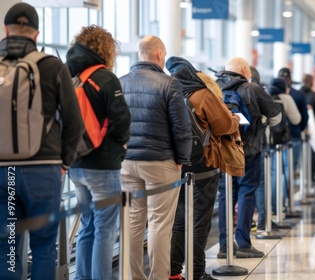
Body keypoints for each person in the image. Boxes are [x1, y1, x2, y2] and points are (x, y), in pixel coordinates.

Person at [0, 3, 84, 279]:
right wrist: (64, 162)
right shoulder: (52, 66)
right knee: (44, 248)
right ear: (36, 33)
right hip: (43, 169)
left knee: (7, 247)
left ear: (5, 29)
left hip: (3, 172)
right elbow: (74, 121)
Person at [119, 36, 192, 279]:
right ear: (160, 54)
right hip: (161, 162)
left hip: (127, 162)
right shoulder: (169, 83)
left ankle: (132, 276)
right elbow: (181, 127)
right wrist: (182, 158)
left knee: (132, 222)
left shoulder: (121, 83)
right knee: (159, 223)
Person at [165, 56, 240, 280]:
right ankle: (197, 272)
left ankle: (173, 271)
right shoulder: (202, 94)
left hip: (177, 164)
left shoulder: (168, 92)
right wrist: (235, 119)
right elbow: (225, 125)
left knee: (179, 218)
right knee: (200, 220)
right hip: (203, 164)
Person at [66, 25, 131, 280]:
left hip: (75, 163)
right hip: (102, 165)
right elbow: (122, 119)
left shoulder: (71, 75)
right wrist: (122, 144)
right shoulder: (104, 77)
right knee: (105, 229)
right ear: (106, 49)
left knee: (87, 226)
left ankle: (82, 277)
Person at [216, 57, 282, 258]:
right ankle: (243, 243)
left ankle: (224, 246)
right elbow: (276, 117)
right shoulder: (253, 89)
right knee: (246, 193)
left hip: (222, 151)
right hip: (249, 150)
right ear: (245, 70)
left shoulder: (214, 87)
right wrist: (262, 122)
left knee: (226, 195)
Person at [266, 77, 301, 220]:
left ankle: (271, 208)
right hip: (282, 142)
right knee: (285, 171)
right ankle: (280, 205)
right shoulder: (286, 98)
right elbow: (296, 119)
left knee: (271, 173)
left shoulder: (265, 95)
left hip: (267, 141)